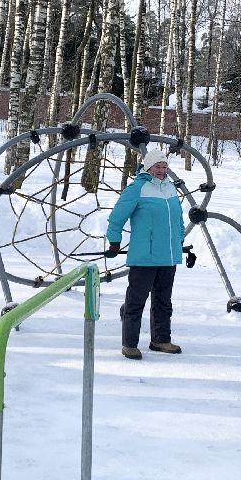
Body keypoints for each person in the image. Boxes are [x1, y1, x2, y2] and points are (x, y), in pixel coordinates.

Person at [106, 145, 185, 360]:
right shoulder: (137, 188)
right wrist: (114, 241)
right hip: (144, 257)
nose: (161, 170)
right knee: (136, 301)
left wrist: (179, 240)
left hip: (168, 257)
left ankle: (160, 339)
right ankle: (130, 343)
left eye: (164, 166)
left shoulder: (170, 188)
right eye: (157, 166)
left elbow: (178, 220)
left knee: (163, 302)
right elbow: (117, 216)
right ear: (148, 167)